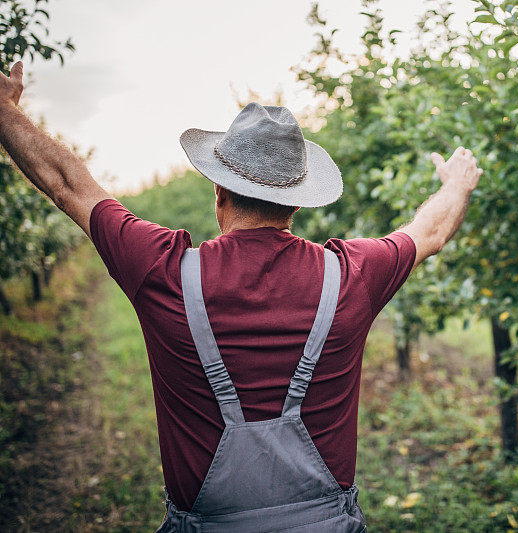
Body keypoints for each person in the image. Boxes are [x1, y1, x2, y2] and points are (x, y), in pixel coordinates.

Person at [0, 61, 483, 532]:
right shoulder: (351, 274)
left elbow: (69, 186)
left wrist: (5, 110)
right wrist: (457, 184)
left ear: (218, 192)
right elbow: (430, 231)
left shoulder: (163, 270)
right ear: (298, 199)